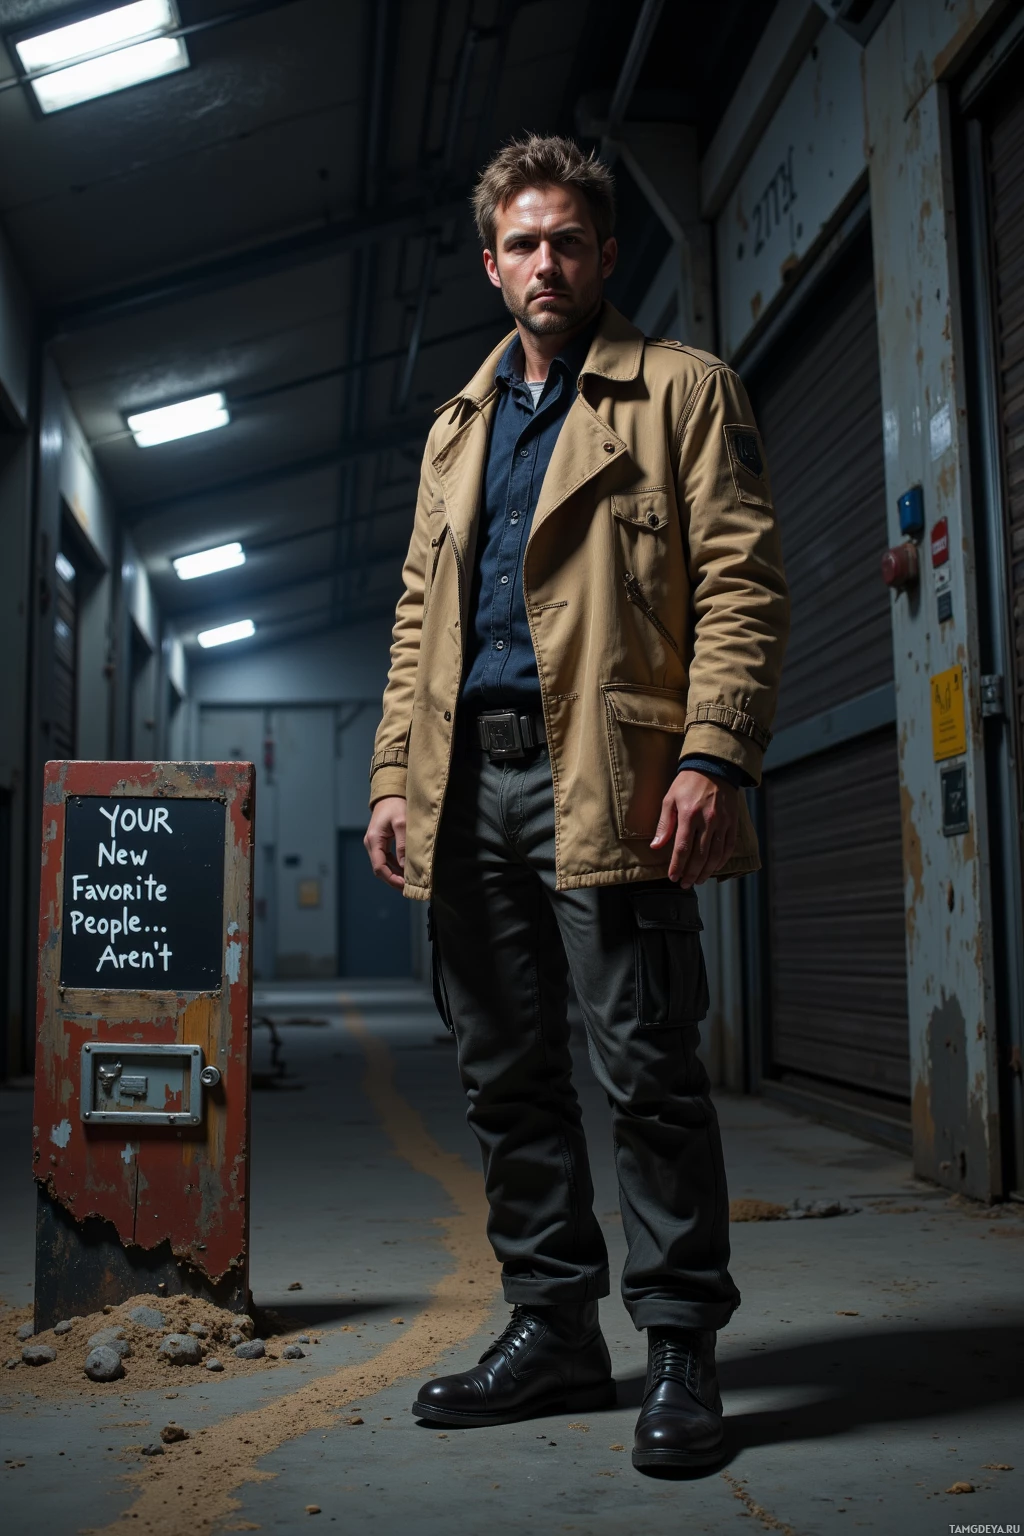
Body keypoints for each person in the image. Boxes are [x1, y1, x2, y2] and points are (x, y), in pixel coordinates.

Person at [364, 134, 788, 1472]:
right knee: (505, 1075)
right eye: (525, 243)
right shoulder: (454, 431)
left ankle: (679, 1349)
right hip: (463, 779)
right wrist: (390, 776)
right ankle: (554, 1330)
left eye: (571, 240)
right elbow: (419, 616)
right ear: (493, 265)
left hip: (610, 771)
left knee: (648, 1068)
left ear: (607, 255)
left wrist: (714, 755)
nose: (549, 262)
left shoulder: (683, 393)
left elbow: (742, 585)